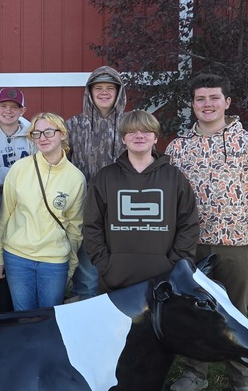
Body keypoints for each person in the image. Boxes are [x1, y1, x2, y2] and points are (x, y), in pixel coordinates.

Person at [165, 72, 248, 391]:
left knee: (236, 314)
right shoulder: (179, 147)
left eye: (214, 98)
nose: (207, 104)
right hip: (191, 246)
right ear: (192, 105)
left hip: (237, 245)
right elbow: (168, 196)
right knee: (194, 310)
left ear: (227, 103)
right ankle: (195, 372)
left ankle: (241, 381)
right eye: (200, 99)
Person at [82, 110, 200, 290]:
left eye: (146, 131)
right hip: (115, 278)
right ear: (123, 138)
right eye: (132, 131)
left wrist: (175, 265)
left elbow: (188, 224)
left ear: (155, 138)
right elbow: (92, 225)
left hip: (165, 279)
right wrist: (105, 264)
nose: (139, 136)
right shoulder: (105, 177)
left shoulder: (174, 177)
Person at [0, 112, 86, 310]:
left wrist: (72, 263)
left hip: (54, 260)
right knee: (23, 318)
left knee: (50, 319)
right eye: (36, 134)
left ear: (62, 134)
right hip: (17, 256)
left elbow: (75, 226)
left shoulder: (76, 178)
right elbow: (5, 214)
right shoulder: (19, 169)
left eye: (49, 132)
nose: (42, 138)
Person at [65, 66, 127, 299]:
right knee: (88, 272)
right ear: (89, 93)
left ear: (119, 92)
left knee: (119, 270)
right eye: (98, 88)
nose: (103, 93)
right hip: (85, 207)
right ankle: (85, 316)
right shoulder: (73, 126)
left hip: (121, 207)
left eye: (109, 88)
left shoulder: (129, 126)